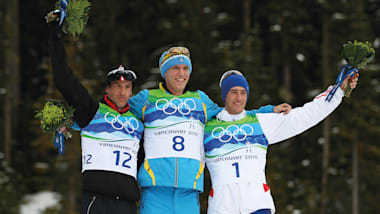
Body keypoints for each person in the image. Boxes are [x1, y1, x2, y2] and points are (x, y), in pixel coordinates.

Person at [128, 47, 288, 214]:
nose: (181, 73)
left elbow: (231, 114)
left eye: (185, 68)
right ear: (164, 71)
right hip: (156, 187)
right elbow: (119, 111)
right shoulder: (147, 98)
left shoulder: (199, 100)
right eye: (175, 68)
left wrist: (267, 111)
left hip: (188, 189)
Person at [203, 70, 358, 214]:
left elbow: (304, 116)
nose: (239, 98)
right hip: (222, 207)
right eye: (233, 92)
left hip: (257, 205)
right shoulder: (207, 129)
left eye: (243, 93)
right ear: (224, 95)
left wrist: (338, 91)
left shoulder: (259, 122)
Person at [48, 16, 143, 214]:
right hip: (98, 200)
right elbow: (64, 79)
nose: (122, 92)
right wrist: (55, 35)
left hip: (127, 204)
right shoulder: (92, 112)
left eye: (127, 87)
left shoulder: (138, 122)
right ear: (107, 89)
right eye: (117, 86)